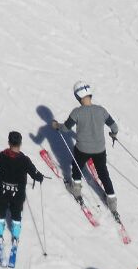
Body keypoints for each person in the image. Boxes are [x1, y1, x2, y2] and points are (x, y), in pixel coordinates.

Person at [51, 81, 119, 214]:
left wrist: (56, 126)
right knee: (103, 173)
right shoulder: (101, 110)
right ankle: (112, 202)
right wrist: (113, 134)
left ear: (77, 97)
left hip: (82, 149)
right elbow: (114, 127)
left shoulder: (77, 112)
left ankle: (76, 188)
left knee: (76, 166)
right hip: (99, 150)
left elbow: (65, 129)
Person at [0, 131, 43, 249]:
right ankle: (16, 236)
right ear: (20, 143)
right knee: (16, 214)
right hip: (18, 194)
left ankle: (0, 234)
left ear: (9, 142)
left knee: (0, 212)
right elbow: (35, 174)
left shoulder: (2, 156)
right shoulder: (25, 160)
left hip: (2, 191)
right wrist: (40, 177)